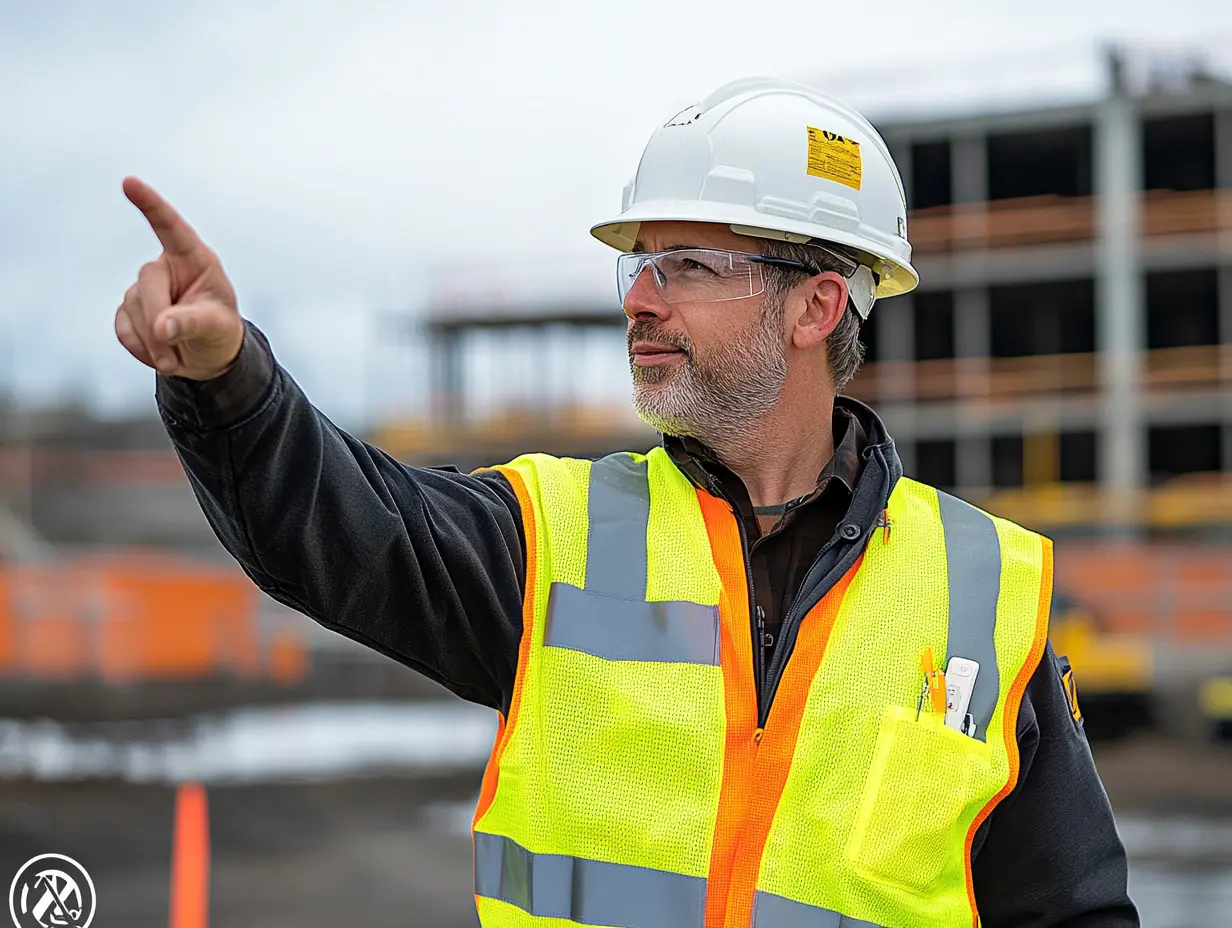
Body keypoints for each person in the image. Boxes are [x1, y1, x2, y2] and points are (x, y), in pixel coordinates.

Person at [115, 77, 1138, 927]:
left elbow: (1069, 911)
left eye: (685, 267)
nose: (637, 299)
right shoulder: (554, 536)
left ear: (816, 305)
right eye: (637, 263)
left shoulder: (983, 593)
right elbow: (335, 527)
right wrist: (225, 378)